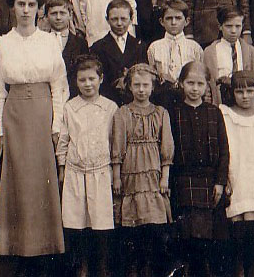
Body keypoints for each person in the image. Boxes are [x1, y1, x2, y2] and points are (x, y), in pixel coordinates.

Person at [0, 0, 67, 272]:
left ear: (39, 9)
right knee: (18, 178)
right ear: (13, 8)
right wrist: (0, 130)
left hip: (43, 113)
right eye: (21, 4)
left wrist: (56, 123)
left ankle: (45, 250)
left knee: (42, 179)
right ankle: (17, 250)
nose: (25, 10)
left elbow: (59, 86)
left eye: (31, 5)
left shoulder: (49, 41)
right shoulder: (3, 43)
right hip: (15, 114)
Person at [167, 61, 230, 277]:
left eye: (200, 84)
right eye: (190, 83)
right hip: (183, 181)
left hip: (210, 182)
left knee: (209, 239)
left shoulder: (214, 112)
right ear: (181, 84)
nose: (195, 89)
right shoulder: (173, 113)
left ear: (207, 86)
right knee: (187, 236)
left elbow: (224, 150)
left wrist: (220, 182)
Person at [56, 56, 117, 277]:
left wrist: (114, 172)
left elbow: (114, 141)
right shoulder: (70, 107)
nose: (88, 84)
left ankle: (101, 268)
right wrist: (62, 168)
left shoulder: (110, 107)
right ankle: (80, 268)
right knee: (76, 223)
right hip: (75, 172)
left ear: (101, 79)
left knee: (100, 224)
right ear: (75, 82)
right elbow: (64, 139)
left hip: (101, 171)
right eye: (82, 80)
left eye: (92, 79)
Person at [111, 63, 173, 277]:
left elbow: (167, 147)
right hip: (130, 171)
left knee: (154, 227)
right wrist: (116, 177)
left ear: (153, 87)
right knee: (133, 228)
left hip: (153, 172)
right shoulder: (122, 113)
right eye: (136, 85)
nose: (141, 89)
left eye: (145, 85)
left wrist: (165, 176)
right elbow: (118, 146)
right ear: (129, 87)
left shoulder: (161, 113)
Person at [219, 70, 254, 277]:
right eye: (239, 91)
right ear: (232, 93)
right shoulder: (225, 115)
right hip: (238, 177)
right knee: (241, 234)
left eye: (250, 91)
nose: (245, 96)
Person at [90, 0, 147, 105]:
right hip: (109, 101)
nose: (119, 23)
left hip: (134, 101)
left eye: (124, 19)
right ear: (107, 20)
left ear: (131, 19)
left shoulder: (140, 45)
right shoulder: (98, 47)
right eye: (114, 19)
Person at [203, 5, 254, 106]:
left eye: (237, 26)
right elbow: (207, 81)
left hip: (245, 99)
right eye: (229, 26)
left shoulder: (250, 51)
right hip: (221, 101)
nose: (233, 31)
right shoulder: (210, 52)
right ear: (220, 26)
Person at [146, 0, 203, 95]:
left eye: (178, 18)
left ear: (187, 21)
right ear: (161, 21)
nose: (173, 22)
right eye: (169, 18)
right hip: (162, 96)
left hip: (188, 96)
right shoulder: (154, 47)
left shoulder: (194, 48)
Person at [44, 0, 88, 100]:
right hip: (48, 96)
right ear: (46, 16)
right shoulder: (41, 42)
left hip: (74, 96)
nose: (58, 17)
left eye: (62, 13)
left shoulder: (80, 42)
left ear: (70, 15)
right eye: (54, 13)